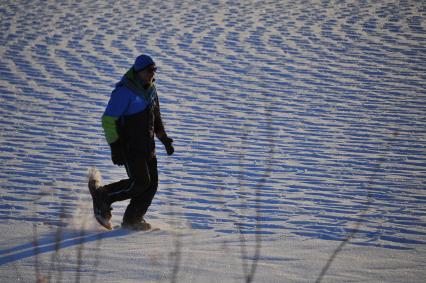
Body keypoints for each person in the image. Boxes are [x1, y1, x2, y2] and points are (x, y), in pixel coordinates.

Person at [90, 54, 174, 230]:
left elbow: (156, 118)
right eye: (150, 70)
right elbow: (108, 120)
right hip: (128, 146)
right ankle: (102, 195)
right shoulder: (125, 91)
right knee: (140, 182)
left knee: (151, 185)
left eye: (154, 70)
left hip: (147, 146)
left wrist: (164, 139)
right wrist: (115, 146)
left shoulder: (151, 89)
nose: (153, 74)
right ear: (139, 71)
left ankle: (132, 220)